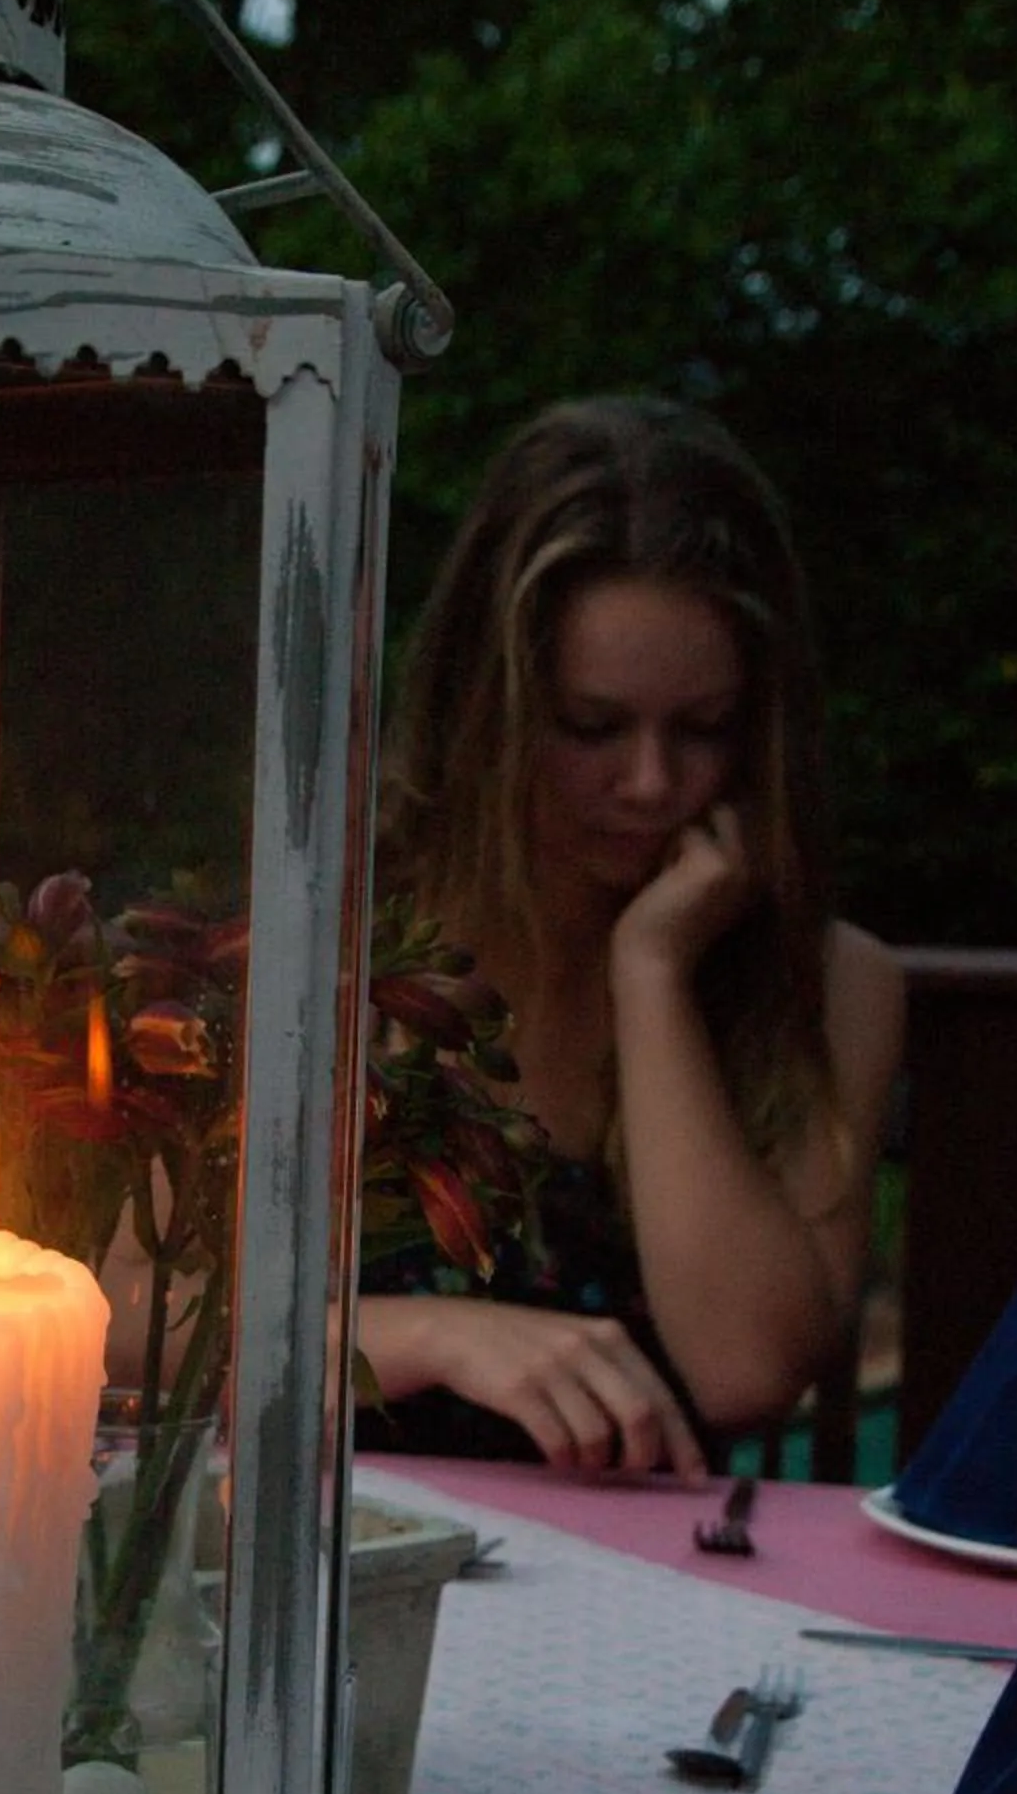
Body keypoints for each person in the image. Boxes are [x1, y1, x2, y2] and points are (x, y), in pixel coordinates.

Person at [355, 392, 905, 1479]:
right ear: (490, 707)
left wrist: (651, 972)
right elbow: (128, 1307)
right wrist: (421, 1334)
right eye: (591, 727)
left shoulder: (825, 982)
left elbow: (742, 1370)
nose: (649, 784)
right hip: (338, 1575)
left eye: (703, 731)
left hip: (634, 1613)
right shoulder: (343, 938)